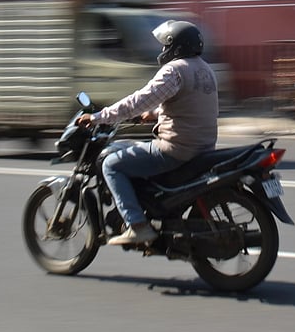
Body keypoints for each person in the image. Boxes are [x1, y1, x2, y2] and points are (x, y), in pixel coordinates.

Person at [77, 19, 218, 245]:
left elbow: (137, 101)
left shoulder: (174, 70)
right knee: (131, 149)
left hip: (176, 149)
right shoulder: (205, 69)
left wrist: (98, 117)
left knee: (111, 164)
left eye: (166, 45)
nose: (163, 49)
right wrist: (154, 114)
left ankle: (137, 226)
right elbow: (190, 105)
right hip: (202, 148)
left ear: (176, 45)